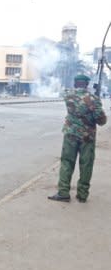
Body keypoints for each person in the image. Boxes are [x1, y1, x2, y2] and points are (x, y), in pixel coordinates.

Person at [48, 74, 107, 203]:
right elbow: (101, 120)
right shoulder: (93, 99)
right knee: (86, 165)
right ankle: (82, 195)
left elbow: (66, 94)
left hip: (70, 135)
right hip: (87, 137)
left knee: (66, 162)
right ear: (86, 84)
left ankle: (63, 193)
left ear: (75, 84)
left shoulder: (68, 95)